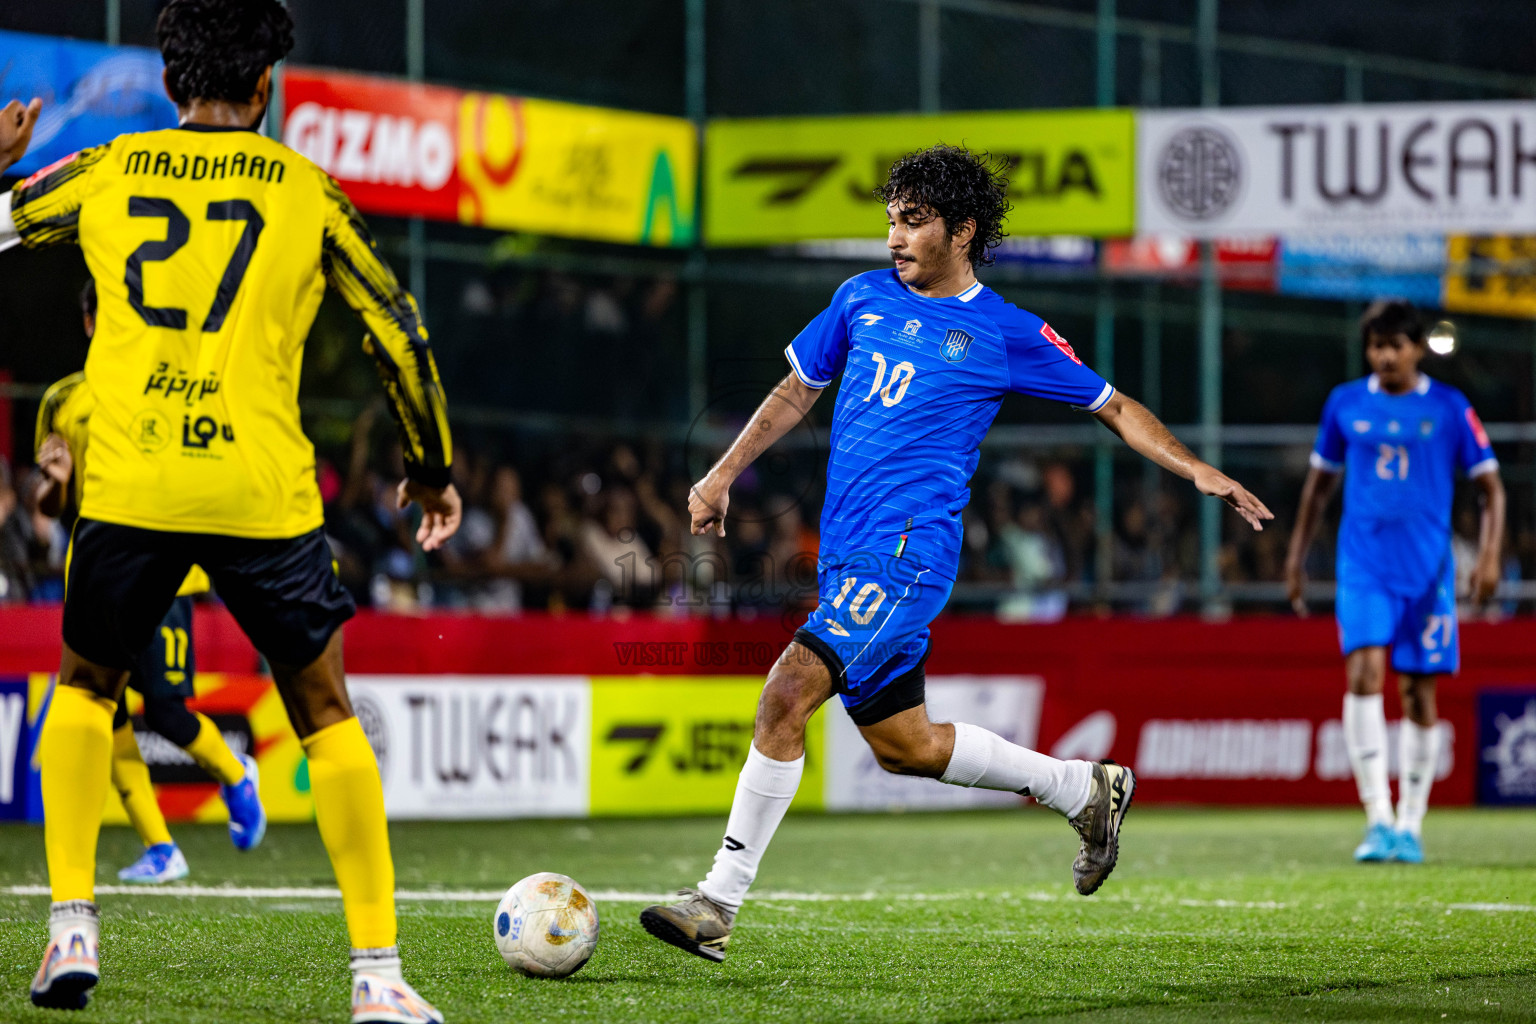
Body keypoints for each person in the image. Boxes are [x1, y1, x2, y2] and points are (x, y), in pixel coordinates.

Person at [640, 144, 1273, 963]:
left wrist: (1196, 467)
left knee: (786, 692)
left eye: (914, 221)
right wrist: (724, 472)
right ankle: (1084, 788)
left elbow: (1114, 406)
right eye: (891, 220)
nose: (895, 238)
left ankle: (716, 904)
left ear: (962, 230)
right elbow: (798, 387)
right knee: (906, 748)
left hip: (907, 557)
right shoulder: (859, 298)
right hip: (846, 557)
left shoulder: (1006, 332)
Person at [0, 2, 460, 1019]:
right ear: (265, 91)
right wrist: (431, 469)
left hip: (131, 480)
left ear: (171, 86)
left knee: (83, 688)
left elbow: (1, 223)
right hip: (258, 487)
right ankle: (377, 977)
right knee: (324, 711)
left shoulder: (109, 168)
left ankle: (70, 924)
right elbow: (397, 326)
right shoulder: (309, 191)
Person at [35, 278, 267, 885]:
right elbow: (54, 507)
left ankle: (236, 774)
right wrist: (57, 482)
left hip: (166, 578)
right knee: (101, 711)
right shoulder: (62, 400)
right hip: (92, 579)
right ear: (90, 322)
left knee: (164, 710)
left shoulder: (168, 391)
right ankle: (162, 846)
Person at [1285, 301, 1504, 865]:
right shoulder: (1345, 403)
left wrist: (1488, 555)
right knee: (1363, 670)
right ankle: (1378, 819)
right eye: (1376, 345)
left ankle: (1411, 824)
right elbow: (1317, 488)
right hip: (1363, 565)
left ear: (1417, 348)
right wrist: (1296, 555)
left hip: (1428, 572)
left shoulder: (1451, 408)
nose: (1384, 355)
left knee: (1417, 693)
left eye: (1395, 345)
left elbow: (1491, 489)